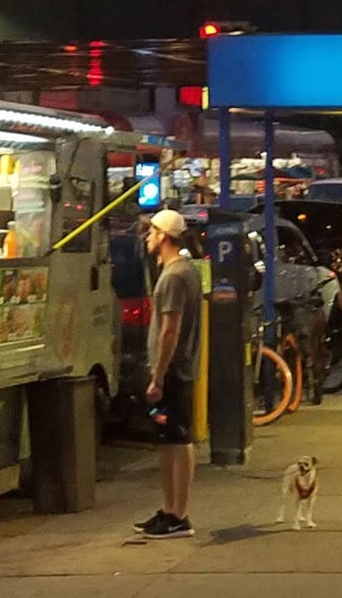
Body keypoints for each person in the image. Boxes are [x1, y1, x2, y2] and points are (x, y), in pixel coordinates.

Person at [135, 208, 202, 540]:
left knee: (177, 440)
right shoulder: (185, 272)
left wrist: (158, 376)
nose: (147, 238)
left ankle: (179, 514)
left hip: (173, 371)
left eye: (151, 233)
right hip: (177, 369)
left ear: (163, 236)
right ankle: (170, 510)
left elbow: (169, 331)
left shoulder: (174, 277)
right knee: (169, 440)